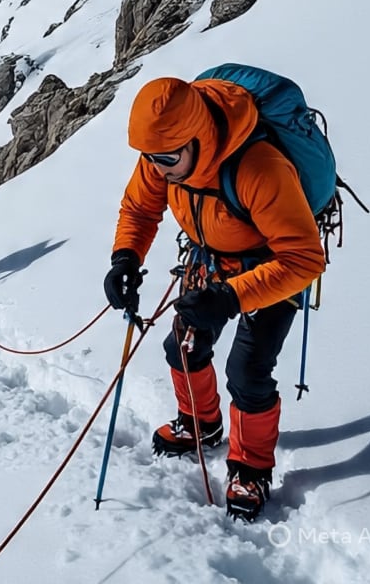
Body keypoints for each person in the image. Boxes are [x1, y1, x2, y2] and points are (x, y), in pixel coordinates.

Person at [103, 76, 325, 521]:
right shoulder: (164, 153)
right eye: (150, 158)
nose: (158, 169)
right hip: (209, 263)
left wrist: (229, 298)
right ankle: (202, 425)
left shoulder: (258, 166)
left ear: (196, 139)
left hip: (271, 270)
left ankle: (250, 468)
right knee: (181, 346)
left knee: (248, 370)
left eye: (167, 159)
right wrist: (125, 257)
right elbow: (141, 208)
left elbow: (304, 258)